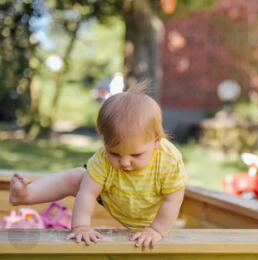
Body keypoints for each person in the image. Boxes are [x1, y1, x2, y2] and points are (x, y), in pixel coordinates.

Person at [9, 83, 188, 249]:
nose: (124, 162)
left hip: (152, 213)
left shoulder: (169, 161)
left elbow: (172, 199)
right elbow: (87, 193)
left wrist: (156, 230)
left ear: (156, 142)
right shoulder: (102, 159)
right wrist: (81, 226)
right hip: (115, 197)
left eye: (136, 155)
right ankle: (26, 194)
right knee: (78, 177)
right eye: (115, 153)